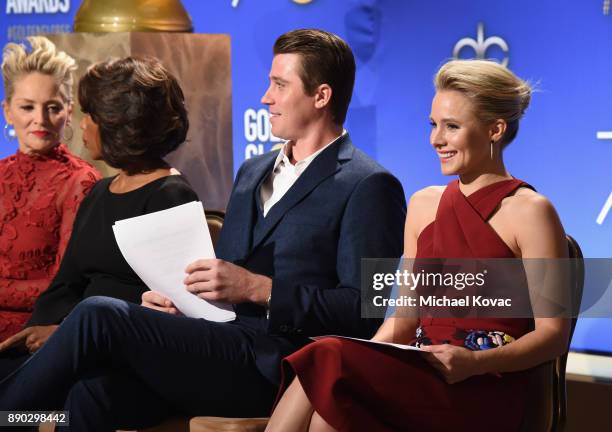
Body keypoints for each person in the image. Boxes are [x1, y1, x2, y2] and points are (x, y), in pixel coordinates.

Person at [0, 29, 406, 430]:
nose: (266, 97)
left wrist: (259, 290)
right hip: (215, 348)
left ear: (321, 96)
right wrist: (182, 309)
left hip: (278, 367)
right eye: (269, 83)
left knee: (99, 314)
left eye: (280, 85)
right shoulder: (252, 171)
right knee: (92, 390)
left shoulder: (370, 185)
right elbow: (220, 290)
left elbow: (364, 313)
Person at [266, 59, 570, 432]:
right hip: (418, 374)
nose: (435, 139)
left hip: (483, 388)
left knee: (327, 360)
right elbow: (405, 321)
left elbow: (553, 336)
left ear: (495, 129)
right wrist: (363, 357)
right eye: (433, 125)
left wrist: (475, 363)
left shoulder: (532, 212)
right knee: (330, 402)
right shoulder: (424, 205)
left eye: (452, 127)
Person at [0, 56, 199, 377]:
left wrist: (61, 333)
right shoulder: (102, 192)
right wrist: (37, 330)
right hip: (68, 336)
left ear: (118, 123)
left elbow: (172, 303)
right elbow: (66, 284)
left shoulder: (169, 194)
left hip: (116, 347)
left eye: (90, 114)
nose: (82, 124)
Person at [0, 36, 101, 342]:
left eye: (52, 107)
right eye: (27, 107)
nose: (39, 120)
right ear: (7, 112)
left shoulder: (80, 181)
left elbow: (63, 288)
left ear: (69, 111)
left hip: (34, 334)